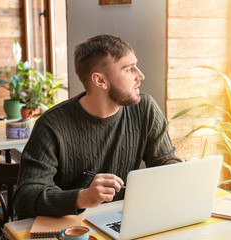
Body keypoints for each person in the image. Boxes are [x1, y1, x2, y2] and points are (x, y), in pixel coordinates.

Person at [13, 35, 182, 219]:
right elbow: (25, 197)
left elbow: (165, 163)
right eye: (128, 69)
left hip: (123, 220)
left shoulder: (145, 109)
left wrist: (182, 174)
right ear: (100, 81)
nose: (140, 76)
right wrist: (82, 198)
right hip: (72, 228)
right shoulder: (51, 125)